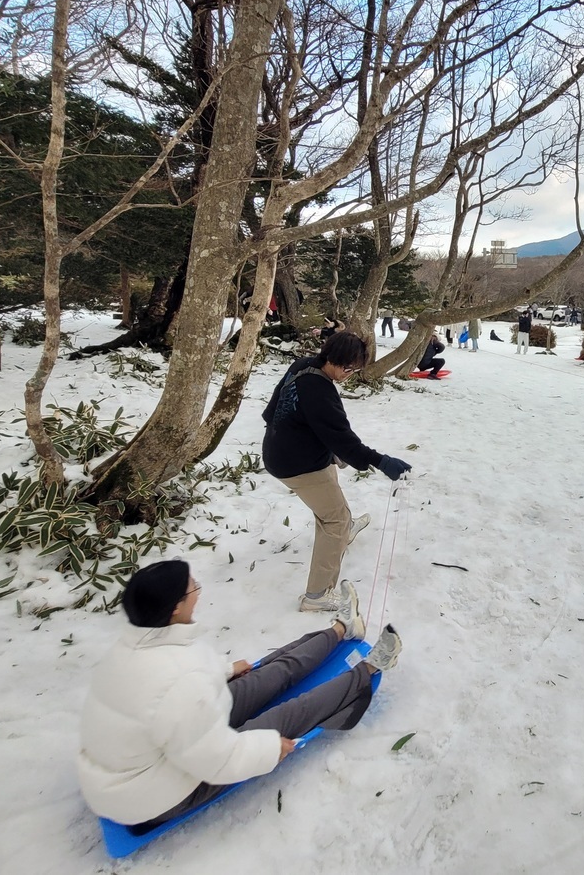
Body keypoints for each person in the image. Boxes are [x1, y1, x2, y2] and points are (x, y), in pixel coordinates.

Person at [78, 561, 402, 831]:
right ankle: (371, 667)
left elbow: (172, 677)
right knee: (289, 716)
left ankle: (342, 628)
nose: (199, 591)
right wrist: (268, 748)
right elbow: (217, 759)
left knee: (273, 673)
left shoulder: (138, 643)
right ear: (176, 607)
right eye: (194, 588)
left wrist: (224, 669)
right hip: (151, 790)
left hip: (166, 742)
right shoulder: (180, 686)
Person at [262, 332, 412, 610]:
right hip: (295, 464)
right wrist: (381, 462)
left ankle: (345, 528)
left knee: (331, 492)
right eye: (349, 369)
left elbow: (271, 410)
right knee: (334, 521)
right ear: (335, 361)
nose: (350, 375)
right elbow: (344, 439)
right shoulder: (320, 393)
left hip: (284, 450)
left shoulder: (303, 365)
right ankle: (317, 596)